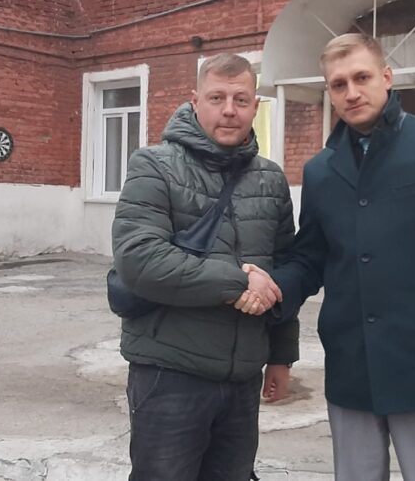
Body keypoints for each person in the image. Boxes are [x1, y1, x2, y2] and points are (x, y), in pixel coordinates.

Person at [239, 33, 415, 480]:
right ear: (329, 92)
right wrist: (271, 288)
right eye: (339, 84)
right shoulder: (321, 171)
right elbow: (310, 259)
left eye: (362, 77)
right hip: (351, 368)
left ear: (386, 77)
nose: (351, 92)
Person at [111, 53, 299, 481]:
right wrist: (238, 283)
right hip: (170, 375)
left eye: (241, 99)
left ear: (255, 105)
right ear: (195, 101)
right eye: (217, 97)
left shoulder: (271, 180)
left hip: (242, 380)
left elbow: (282, 271)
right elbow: (140, 258)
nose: (229, 110)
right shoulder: (153, 165)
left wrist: (282, 356)